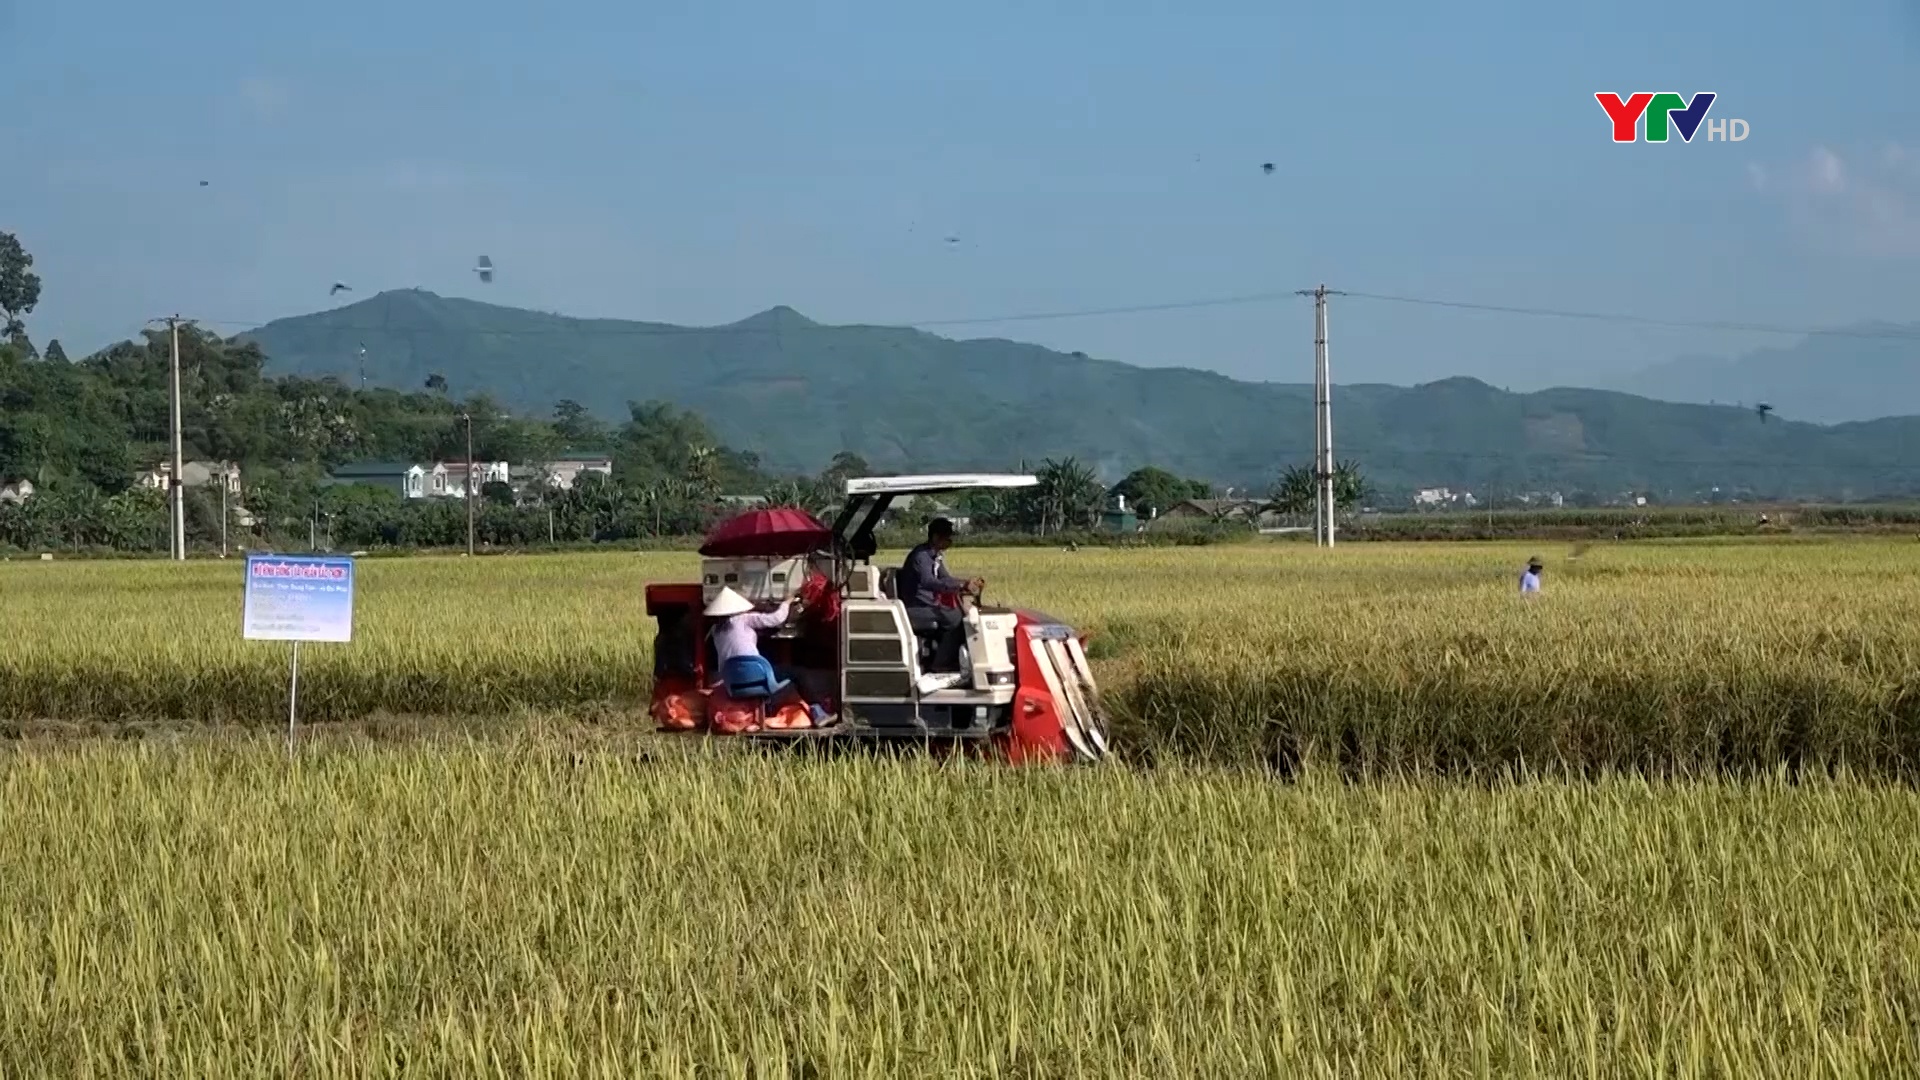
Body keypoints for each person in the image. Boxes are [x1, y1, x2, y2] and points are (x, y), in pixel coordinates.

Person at [897, 518, 983, 671]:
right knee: (955, 619)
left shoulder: (934, 555)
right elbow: (928, 582)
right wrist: (961, 585)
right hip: (915, 607)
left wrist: (966, 583)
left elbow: (945, 578)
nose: (950, 542)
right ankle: (941, 664)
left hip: (928, 605)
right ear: (936, 537)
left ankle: (946, 657)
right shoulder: (921, 556)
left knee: (958, 614)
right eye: (947, 538)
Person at [705, 586, 801, 671]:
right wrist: (787, 602)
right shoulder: (744, 619)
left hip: (729, 675)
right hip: (753, 670)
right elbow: (776, 619)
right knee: (797, 673)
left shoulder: (715, 630)